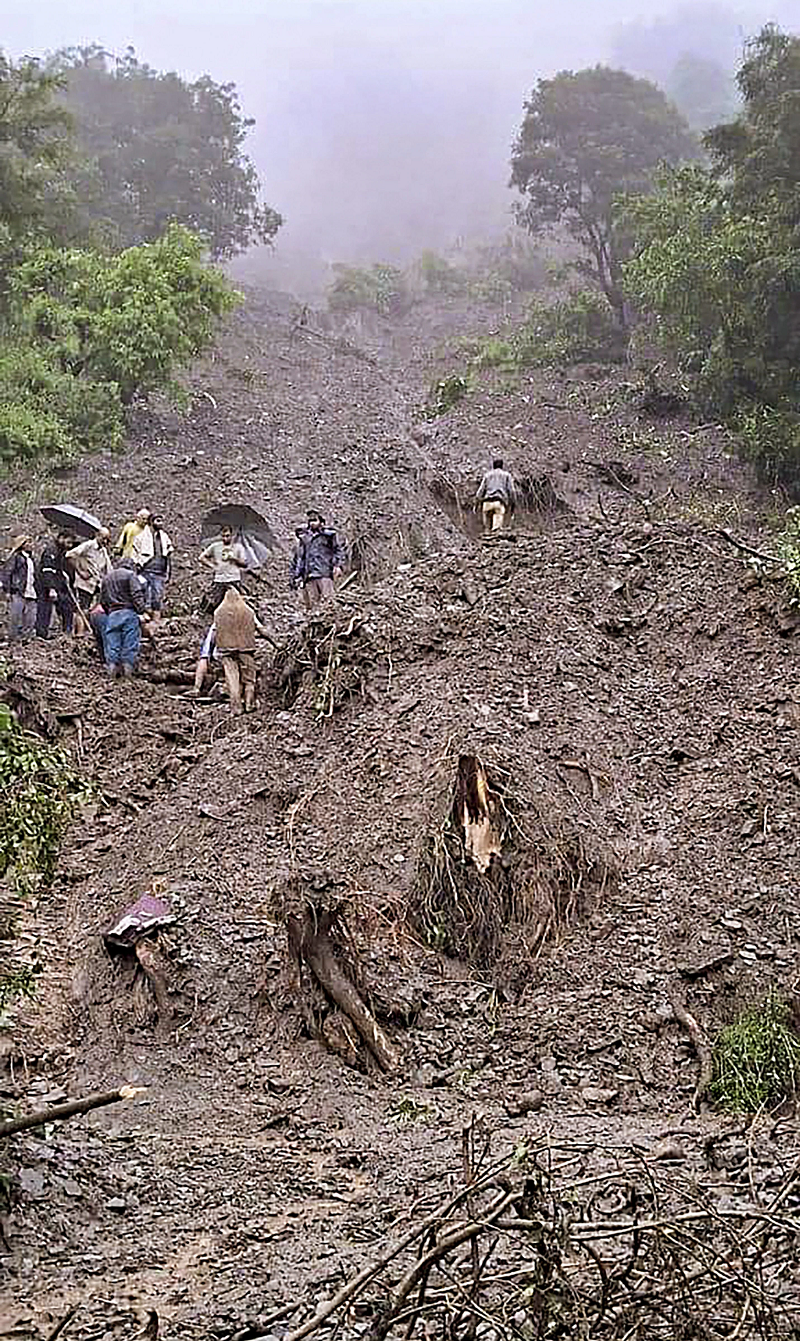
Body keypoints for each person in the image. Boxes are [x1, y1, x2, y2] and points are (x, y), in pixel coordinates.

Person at [212, 586, 270, 713]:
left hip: (225, 649)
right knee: (249, 678)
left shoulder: (219, 612)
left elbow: (214, 633)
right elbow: (261, 629)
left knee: (232, 678)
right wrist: (276, 644)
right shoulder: (248, 611)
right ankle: (249, 703)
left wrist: (211, 652)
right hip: (246, 648)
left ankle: (236, 707)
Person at [99, 557, 148, 679]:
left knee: (112, 644)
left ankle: (111, 672)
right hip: (128, 613)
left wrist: (109, 611)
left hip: (113, 615)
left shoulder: (107, 578)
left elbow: (103, 600)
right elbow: (136, 594)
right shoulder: (131, 575)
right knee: (129, 644)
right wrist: (141, 610)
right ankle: (128, 674)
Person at [290, 511, 345, 608]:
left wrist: (337, 565)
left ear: (321, 521)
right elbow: (300, 558)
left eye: (315, 520)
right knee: (312, 605)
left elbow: (338, 551)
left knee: (328, 602)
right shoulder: (305, 538)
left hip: (324, 573)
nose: (312, 523)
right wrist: (296, 576)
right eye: (310, 521)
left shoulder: (328, 536)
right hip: (309, 575)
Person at [130, 515, 174, 619]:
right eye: (158, 521)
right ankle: (145, 621)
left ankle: (156, 622)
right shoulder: (140, 537)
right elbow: (134, 554)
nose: (161, 523)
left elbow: (169, 552)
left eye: (161, 521)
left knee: (157, 597)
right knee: (145, 596)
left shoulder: (164, 536)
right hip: (146, 570)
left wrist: (168, 571)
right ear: (151, 522)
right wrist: (138, 565)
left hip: (160, 571)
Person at [199, 526, 248, 611]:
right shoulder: (215, 546)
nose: (225, 538)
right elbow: (202, 557)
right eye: (223, 536)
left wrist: (234, 559)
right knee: (211, 603)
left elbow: (245, 563)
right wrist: (212, 566)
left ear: (232, 536)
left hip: (234, 579)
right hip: (219, 579)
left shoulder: (238, 547)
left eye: (228, 536)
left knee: (240, 604)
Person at [36, 533, 74, 638]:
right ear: (61, 538)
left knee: (67, 606)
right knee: (44, 610)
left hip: (59, 585)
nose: (69, 545)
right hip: (46, 586)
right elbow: (48, 570)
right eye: (68, 542)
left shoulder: (61, 552)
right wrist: (51, 588)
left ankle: (66, 631)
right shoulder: (51, 551)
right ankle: (41, 634)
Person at [1, 536, 37, 642]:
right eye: (28, 542)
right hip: (18, 590)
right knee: (15, 616)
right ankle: (13, 638)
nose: (31, 545)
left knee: (30, 617)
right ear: (22, 544)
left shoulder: (31, 559)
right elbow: (7, 573)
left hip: (30, 590)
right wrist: (7, 590)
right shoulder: (16, 558)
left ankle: (26, 638)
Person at [67, 529, 112, 613]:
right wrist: (80, 571)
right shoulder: (88, 545)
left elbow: (108, 569)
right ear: (97, 535)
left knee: (90, 610)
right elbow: (70, 555)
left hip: (95, 584)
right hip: (85, 584)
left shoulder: (103, 551)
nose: (105, 541)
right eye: (103, 538)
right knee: (81, 610)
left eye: (107, 539)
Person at [476, 458, 518, 533]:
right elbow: (511, 491)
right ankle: (495, 540)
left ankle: (485, 540)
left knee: (487, 529)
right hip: (499, 502)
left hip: (487, 503)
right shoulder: (507, 475)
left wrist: (476, 504)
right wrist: (513, 504)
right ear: (502, 466)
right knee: (496, 529)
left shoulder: (487, 475)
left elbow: (480, 491)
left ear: (493, 466)